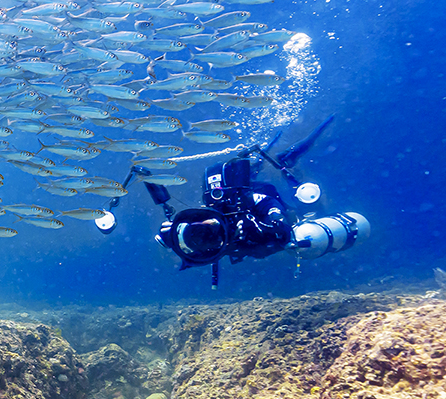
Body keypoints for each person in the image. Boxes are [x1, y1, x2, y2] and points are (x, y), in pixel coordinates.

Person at [138, 116, 368, 285]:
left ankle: (285, 166)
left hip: (264, 200)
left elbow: (275, 219)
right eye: (202, 239)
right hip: (248, 197)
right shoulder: (213, 239)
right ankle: (260, 165)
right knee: (247, 189)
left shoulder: (241, 211)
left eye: (201, 229)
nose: (205, 235)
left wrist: (268, 224)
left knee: (306, 210)